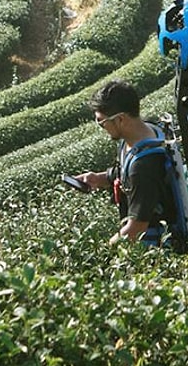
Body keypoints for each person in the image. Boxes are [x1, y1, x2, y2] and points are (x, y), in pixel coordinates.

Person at [75, 80, 177, 247]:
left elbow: (137, 228)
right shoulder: (147, 131)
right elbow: (124, 171)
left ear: (121, 119)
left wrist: (104, 251)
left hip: (155, 248)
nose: (102, 127)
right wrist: (98, 178)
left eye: (102, 122)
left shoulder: (144, 166)